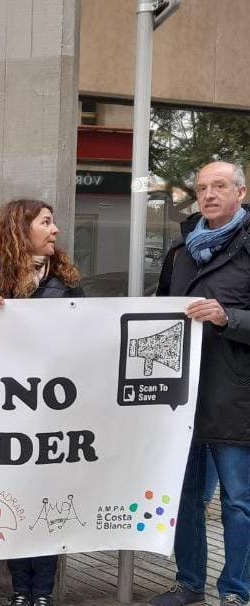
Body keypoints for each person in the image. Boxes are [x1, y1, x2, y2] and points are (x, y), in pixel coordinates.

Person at [0, 198, 83, 606]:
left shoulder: (65, 279)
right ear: (21, 228)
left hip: (51, 410)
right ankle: (19, 588)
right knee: (13, 494)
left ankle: (41, 590)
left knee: (45, 496)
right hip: (2, 411)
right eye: (47, 222)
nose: (55, 230)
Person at [150, 161, 250, 606]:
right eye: (202, 188)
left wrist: (229, 317)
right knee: (184, 498)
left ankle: (235, 590)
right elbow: (158, 311)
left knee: (238, 502)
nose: (209, 195)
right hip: (181, 395)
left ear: (241, 193)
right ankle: (189, 583)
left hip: (236, 393)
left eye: (220, 186)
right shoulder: (182, 250)